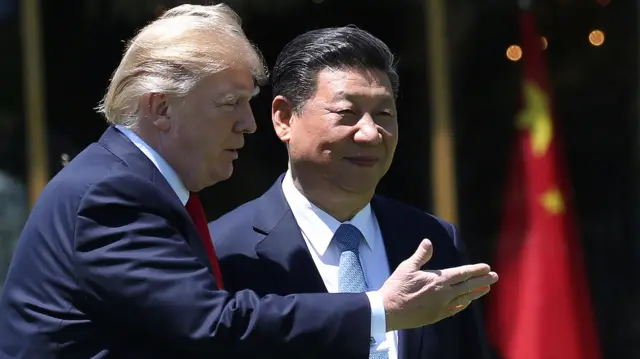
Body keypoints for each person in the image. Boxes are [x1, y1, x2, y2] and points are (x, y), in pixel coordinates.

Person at [0, 5, 497, 359]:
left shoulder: (130, 186)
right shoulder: (115, 195)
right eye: (229, 104)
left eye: (384, 112)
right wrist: (379, 310)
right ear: (161, 107)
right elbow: (212, 326)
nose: (248, 124)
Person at [209, 26, 493, 359]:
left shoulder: (432, 240)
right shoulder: (224, 251)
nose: (371, 133)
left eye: (384, 114)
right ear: (284, 118)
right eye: (347, 113)